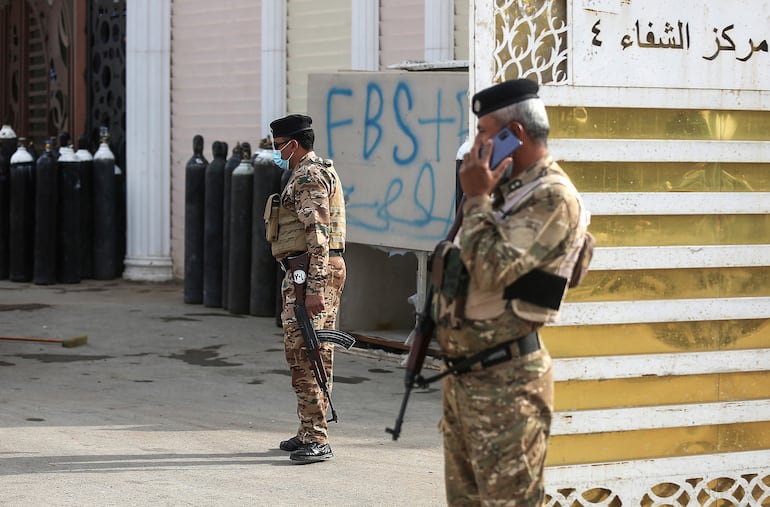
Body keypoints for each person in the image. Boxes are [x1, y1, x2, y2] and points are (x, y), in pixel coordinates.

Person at [433, 79, 589, 504]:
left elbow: (492, 269)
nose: (476, 143)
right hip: (467, 379)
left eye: (484, 132)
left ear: (513, 135)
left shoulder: (553, 197)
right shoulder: (507, 190)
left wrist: (478, 197)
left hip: (508, 387)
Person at [267, 114, 346, 464]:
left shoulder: (309, 176)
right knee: (303, 350)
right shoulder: (309, 171)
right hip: (305, 272)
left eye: (277, 144)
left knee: (308, 351)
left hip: (311, 274)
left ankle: (317, 437)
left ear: (293, 144)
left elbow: (318, 237)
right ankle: (307, 429)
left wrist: (313, 287)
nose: (275, 151)